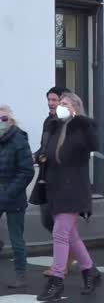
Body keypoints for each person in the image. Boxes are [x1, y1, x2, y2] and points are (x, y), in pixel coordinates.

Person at [37, 93, 101, 301]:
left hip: (73, 189)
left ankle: (57, 281)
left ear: (75, 107)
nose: (59, 106)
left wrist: (83, 121)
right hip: (55, 188)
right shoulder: (55, 127)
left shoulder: (80, 128)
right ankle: (90, 270)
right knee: (70, 235)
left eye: (64, 103)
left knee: (60, 233)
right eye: (59, 103)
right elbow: (47, 152)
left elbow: (94, 145)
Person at [35, 87, 75, 277]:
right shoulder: (48, 121)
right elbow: (44, 146)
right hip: (45, 176)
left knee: (60, 225)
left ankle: (63, 263)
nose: (51, 103)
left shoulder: (68, 124)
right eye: (49, 100)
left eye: (54, 100)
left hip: (61, 180)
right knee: (47, 220)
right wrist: (36, 155)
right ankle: (74, 256)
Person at [0, 106, 35, 288]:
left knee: (16, 237)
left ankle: (20, 274)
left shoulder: (19, 140)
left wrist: (9, 192)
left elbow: (26, 171)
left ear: (11, 120)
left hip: (14, 196)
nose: (0, 122)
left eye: (4, 119)